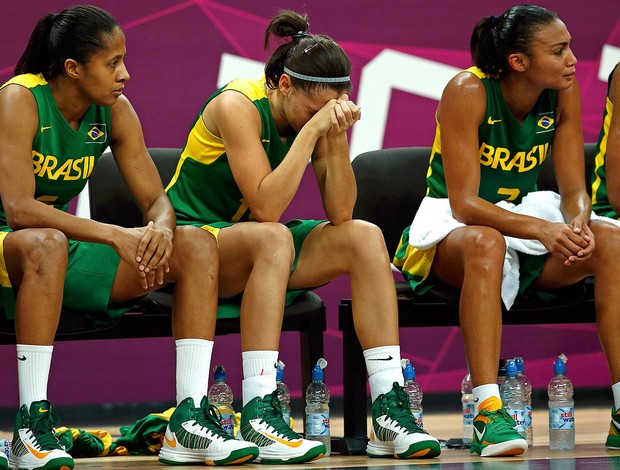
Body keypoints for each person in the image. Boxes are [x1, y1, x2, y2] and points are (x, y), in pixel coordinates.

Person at [164, 9, 441, 464]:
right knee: (273, 235)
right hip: (192, 245)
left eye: (330, 110)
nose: (321, 118)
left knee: (364, 236)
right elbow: (266, 207)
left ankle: (390, 410)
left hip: (249, 245)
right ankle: (259, 410)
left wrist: (332, 140)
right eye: (314, 110)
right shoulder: (236, 105)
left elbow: (341, 212)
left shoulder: (313, 117)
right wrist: (313, 130)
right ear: (285, 86)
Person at [0, 5, 260, 470]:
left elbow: (158, 202)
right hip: (14, 243)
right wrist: (116, 235)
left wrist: (160, 229)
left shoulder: (113, 111)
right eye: (112, 62)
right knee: (45, 242)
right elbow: (19, 210)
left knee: (198, 243)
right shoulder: (20, 99)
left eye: (124, 59)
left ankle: (189, 421)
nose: (125, 73)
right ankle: (28, 427)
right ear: (73, 69)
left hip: (55, 249)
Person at [393, 4, 620, 458]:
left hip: (526, 217)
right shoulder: (468, 89)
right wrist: (542, 229)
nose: (573, 59)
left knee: (611, 241)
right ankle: (487, 410)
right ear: (518, 62)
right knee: (486, 242)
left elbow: (575, 186)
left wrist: (576, 220)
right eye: (558, 51)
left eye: (571, 46)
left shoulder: (563, 91)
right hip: (453, 226)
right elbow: (465, 203)